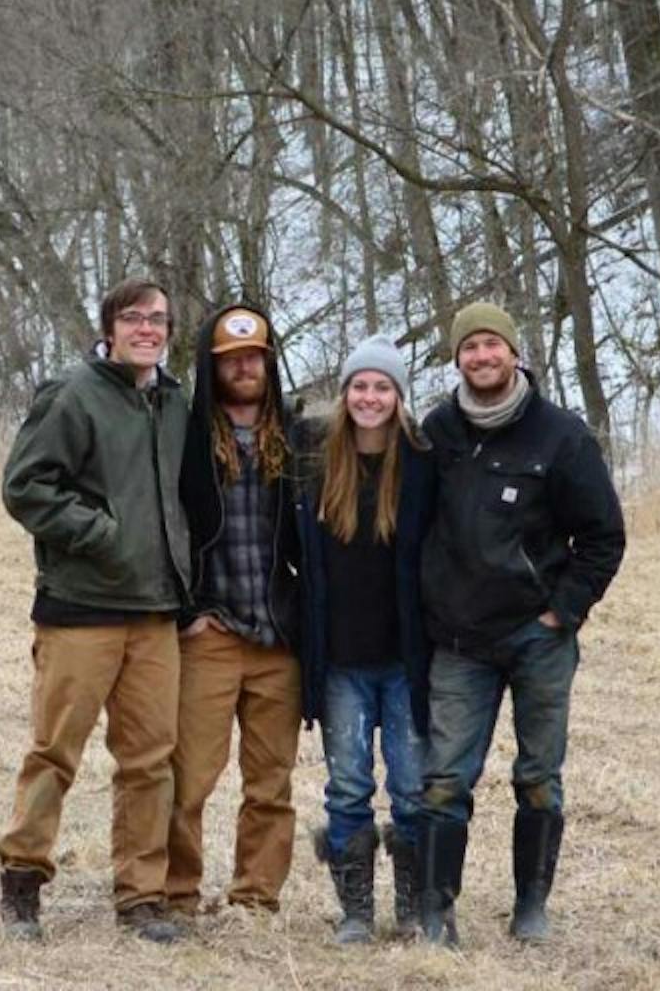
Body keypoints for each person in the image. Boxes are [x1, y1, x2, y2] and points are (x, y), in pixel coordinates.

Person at [414, 303, 625, 947]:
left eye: (491, 345)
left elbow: (603, 536)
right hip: (458, 638)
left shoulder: (560, 435)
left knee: (538, 777)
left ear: (514, 353)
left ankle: (531, 905)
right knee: (446, 778)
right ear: (457, 359)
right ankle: (436, 909)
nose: (481, 357)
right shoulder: (437, 432)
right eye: (469, 348)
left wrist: (563, 609)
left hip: (539, 638)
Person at [0, 278, 192, 945]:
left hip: (157, 611)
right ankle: (22, 882)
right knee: (56, 753)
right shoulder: (74, 393)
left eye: (158, 319)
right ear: (110, 327)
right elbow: (25, 486)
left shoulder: (174, 402)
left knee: (150, 763)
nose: (147, 329)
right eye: (133, 318)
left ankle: (141, 898)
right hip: (81, 607)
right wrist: (100, 532)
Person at [165, 304, 309, 915]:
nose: (244, 367)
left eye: (254, 357)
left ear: (270, 364)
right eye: (231, 359)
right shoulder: (185, 436)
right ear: (211, 365)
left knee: (271, 783)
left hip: (278, 635)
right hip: (213, 633)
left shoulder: (300, 439)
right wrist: (187, 611)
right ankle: (174, 896)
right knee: (188, 778)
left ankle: (255, 898)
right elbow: (160, 525)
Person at [296, 336, 435, 944]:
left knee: (410, 786)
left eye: (382, 387)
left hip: (406, 658)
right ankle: (355, 912)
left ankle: (411, 908)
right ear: (344, 394)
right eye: (359, 386)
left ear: (399, 396)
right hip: (340, 662)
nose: (370, 397)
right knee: (348, 784)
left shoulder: (425, 463)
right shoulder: (317, 461)